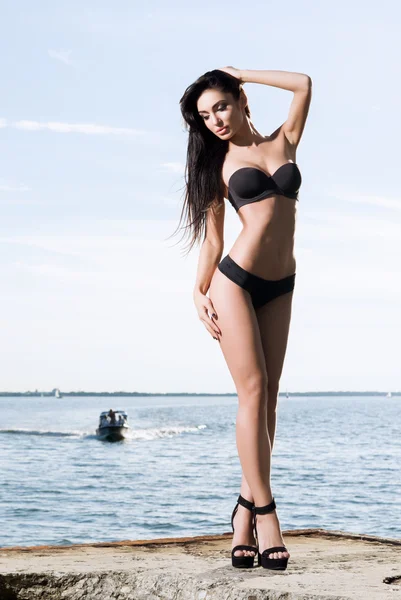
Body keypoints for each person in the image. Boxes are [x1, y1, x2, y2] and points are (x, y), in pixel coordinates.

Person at [174, 67, 312, 570]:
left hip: (282, 283)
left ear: (241, 99)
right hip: (234, 282)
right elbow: (213, 240)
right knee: (252, 391)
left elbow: (302, 83)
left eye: (221, 107)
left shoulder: (285, 141)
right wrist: (197, 289)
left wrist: (241, 70)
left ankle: (241, 512)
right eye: (205, 116)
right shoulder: (219, 166)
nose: (214, 121)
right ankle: (266, 515)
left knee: (270, 397)